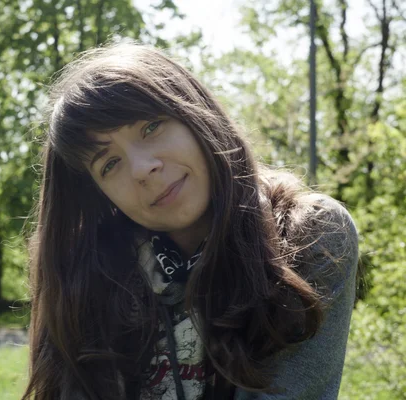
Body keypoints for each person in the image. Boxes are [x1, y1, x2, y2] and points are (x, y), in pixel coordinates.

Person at [21, 42, 359, 400]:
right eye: (109, 164)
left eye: (151, 127)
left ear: (195, 114)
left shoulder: (309, 233)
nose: (142, 168)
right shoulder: (92, 278)